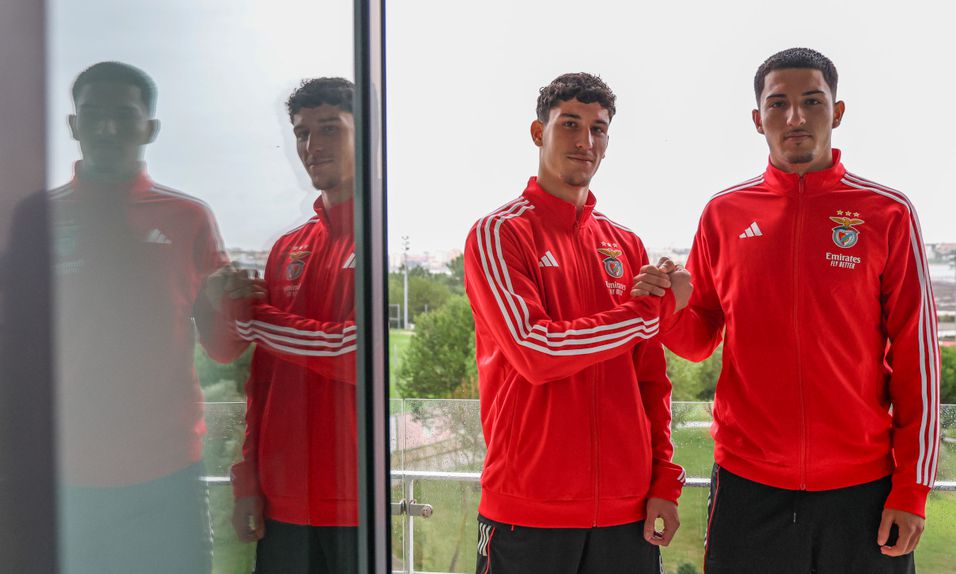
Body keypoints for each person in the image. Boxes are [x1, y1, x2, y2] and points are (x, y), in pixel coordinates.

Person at [635, 48, 940, 573]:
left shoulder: (887, 213)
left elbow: (918, 359)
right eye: (778, 104)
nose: (795, 116)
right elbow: (699, 338)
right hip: (748, 487)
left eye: (811, 101)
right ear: (758, 119)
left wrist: (912, 488)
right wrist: (667, 310)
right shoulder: (724, 214)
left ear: (837, 112)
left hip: (863, 488)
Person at [462, 73, 690, 574]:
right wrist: (651, 311)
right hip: (526, 511)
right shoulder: (498, 234)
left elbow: (650, 380)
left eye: (598, 129)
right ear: (537, 132)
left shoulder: (625, 245)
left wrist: (663, 481)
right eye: (569, 124)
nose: (585, 141)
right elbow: (535, 352)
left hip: (627, 514)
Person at [50, 61, 246, 574]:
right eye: (93, 114)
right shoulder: (38, 220)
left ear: (150, 129)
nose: (107, 128)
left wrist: (231, 301)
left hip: (167, 473)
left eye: (123, 115)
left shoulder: (188, 218)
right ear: (73, 124)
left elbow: (223, 347)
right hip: (64, 474)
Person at [227, 77, 358, 574]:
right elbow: (262, 380)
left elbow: (354, 354)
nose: (312, 146)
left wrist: (255, 318)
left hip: (353, 500)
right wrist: (247, 480)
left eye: (329, 129)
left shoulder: (378, 235)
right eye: (303, 133)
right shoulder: (288, 247)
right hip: (280, 502)